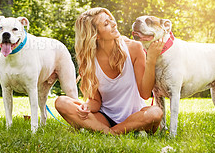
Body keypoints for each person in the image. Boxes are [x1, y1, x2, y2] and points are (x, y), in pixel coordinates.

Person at [55, 7, 164, 135]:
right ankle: (115, 131)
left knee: (156, 112)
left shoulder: (134, 48)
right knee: (61, 102)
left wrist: (151, 59)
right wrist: (87, 106)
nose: (114, 24)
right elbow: (96, 101)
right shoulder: (89, 61)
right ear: (96, 35)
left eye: (111, 20)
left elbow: (145, 94)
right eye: (106, 24)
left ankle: (108, 132)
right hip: (105, 118)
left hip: (136, 117)